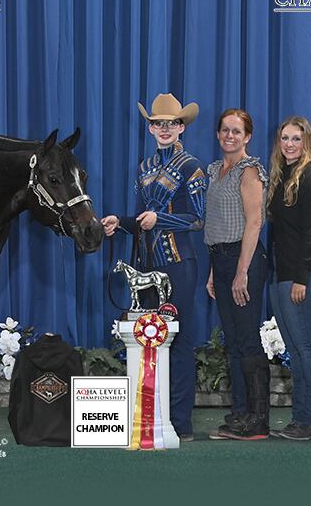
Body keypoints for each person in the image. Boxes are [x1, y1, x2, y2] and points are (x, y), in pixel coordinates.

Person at [101, 93, 206, 443]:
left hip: (178, 264)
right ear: (150, 128)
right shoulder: (144, 168)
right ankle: (153, 415)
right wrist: (121, 222)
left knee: (179, 338)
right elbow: (142, 218)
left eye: (171, 123)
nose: (165, 129)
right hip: (149, 265)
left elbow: (198, 219)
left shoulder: (191, 166)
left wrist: (158, 218)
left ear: (181, 127)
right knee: (151, 341)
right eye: (158, 123)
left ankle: (181, 421)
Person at [204, 109, 269, 441]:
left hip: (244, 258)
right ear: (218, 134)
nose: (230, 136)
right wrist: (214, 271)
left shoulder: (249, 170)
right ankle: (241, 413)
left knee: (246, 338)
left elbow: (254, 222)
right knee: (232, 340)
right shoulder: (215, 170)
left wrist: (242, 270)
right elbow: (215, 223)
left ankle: (258, 418)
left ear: (247, 137)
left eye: (236, 131)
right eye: (225, 130)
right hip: (221, 258)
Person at [267, 116, 311, 441]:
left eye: (296, 139)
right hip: (283, 272)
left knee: (307, 347)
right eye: (285, 138)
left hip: (304, 273)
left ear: (307, 143)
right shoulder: (282, 177)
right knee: (295, 348)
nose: (289, 144)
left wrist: (302, 278)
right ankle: (301, 418)